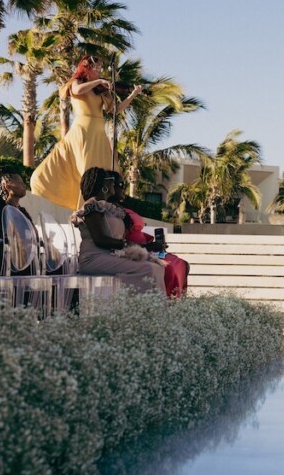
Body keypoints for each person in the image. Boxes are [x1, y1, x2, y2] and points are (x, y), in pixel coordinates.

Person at [29, 55, 142, 211]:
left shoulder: (101, 91)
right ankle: (85, 210)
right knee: (86, 169)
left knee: (105, 170)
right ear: (87, 69)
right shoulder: (77, 83)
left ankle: (104, 207)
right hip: (83, 130)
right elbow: (76, 90)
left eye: (100, 68)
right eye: (96, 68)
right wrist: (98, 82)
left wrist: (133, 95)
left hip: (98, 132)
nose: (99, 71)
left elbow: (115, 109)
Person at [71, 167, 164, 292]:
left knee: (156, 266)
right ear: (103, 184)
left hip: (108, 255)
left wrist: (144, 247)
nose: (113, 183)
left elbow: (116, 239)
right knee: (146, 269)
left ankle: (154, 308)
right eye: (111, 180)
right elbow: (100, 240)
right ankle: (139, 308)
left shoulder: (108, 207)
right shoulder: (92, 207)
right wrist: (125, 246)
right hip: (94, 258)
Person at [110, 171, 189, 297]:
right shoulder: (110, 212)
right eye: (121, 184)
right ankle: (166, 304)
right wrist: (147, 248)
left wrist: (151, 245)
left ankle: (178, 305)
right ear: (109, 186)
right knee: (169, 268)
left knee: (183, 264)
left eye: (124, 184)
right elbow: (122, 242)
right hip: (135, 253)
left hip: (146, 248)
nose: (124, 188)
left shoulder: (121, 207)